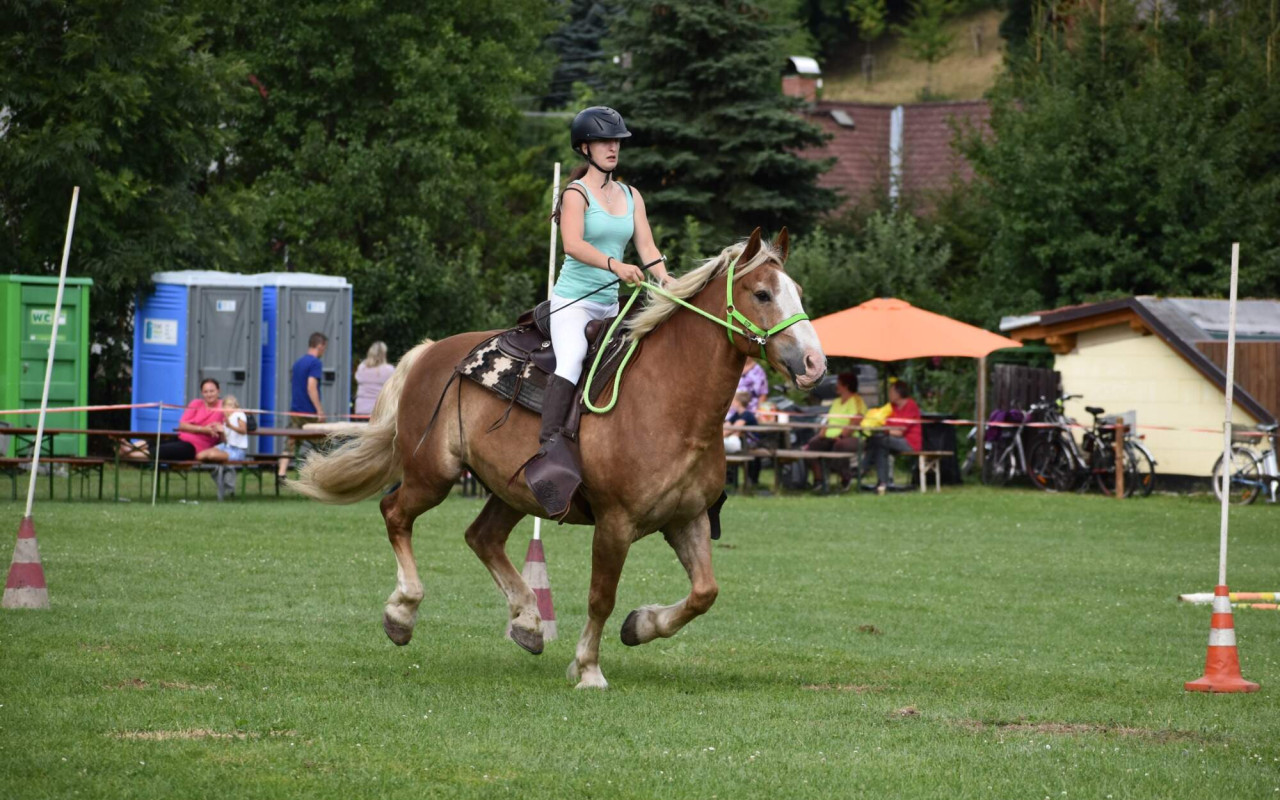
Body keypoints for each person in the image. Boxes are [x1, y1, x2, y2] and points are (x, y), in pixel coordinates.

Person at [526, 106, 670, 516]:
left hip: (611, 305)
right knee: (571, 359)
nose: (613, 148)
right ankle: (550, 446)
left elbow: (647, 250)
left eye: (617, 142)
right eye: (605, 142)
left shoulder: (630, 195)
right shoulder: (576, 194)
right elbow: (572, 245)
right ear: (585, 147)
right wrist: (614, 265)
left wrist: (669, 282)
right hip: (573, 303)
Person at [803, 371, 867, 491]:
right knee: (813, 444)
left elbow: (856, 421)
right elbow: (829, 420)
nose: (836, 386)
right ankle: (819, 480)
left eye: (838, 383)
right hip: (831, 436)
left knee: (839, 446)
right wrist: (821, 433)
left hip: (852, 438)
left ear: (846, 385)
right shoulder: (836, 402)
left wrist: (842, 436)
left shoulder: (856, 401)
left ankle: (845, 478)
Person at [278, 332, 327, 484]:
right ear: (319, 346)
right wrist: (319, 410)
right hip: (309, 412)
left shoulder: (298, 363)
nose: (324, 351)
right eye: (324, 348)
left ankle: (281, 474)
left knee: (291, 442)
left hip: (295, 410)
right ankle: (321, 476)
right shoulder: (315, 363)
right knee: (323, 444)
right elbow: (311, 387)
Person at [862, 379, 923, 494]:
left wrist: (885, 429)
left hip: (909, 443)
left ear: (899, 393)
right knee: (879, 445)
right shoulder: (892, 408)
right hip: (893, 439)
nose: (889, 395)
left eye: (891, 392)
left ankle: (864, 467)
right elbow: (888, 426)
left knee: (877, 440)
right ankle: (883, 483)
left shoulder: (910, 406)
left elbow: (900, 431)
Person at [197, 395, 248, 463]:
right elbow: (225, 440)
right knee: (200, 456)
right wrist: (222, 430)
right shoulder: (226, 419)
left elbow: (244, 431)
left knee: (211, 455)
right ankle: (220, 469)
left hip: (237, 449)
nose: (228, 408)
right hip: (226, 446)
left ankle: (222, 470)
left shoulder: (239, 414)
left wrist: (230, 426)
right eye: (227, 406)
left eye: (231, 405)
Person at [354, 341, 397, 417]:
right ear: (384, 354)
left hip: (361, 409)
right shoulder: (389, 370)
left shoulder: (362, 368)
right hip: (380, 410)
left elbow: (357, 378)